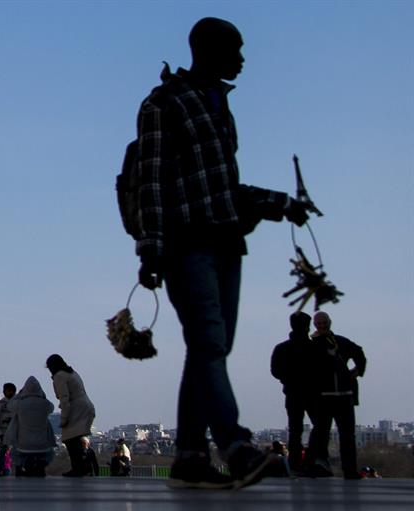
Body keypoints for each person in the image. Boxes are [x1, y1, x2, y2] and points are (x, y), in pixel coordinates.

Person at [131, 17, 309, 489]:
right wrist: (151, 250)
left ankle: (190, 455)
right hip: (187, 245)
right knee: (210, 343)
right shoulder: (164, 103)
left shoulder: (217, 105)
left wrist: (282, 205)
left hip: (226, 243)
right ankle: (235, 446)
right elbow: (150, 181)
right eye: (237, 49)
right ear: (208, 50)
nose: (244, 59)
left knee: (208, 347)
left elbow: (225, 188)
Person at [306, 311, 366, 479]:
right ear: (315, 325)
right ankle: (323, 466)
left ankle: (348, 469)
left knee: (344, 435)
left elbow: (359, 353)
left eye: (324, 323)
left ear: (329, 322)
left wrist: (357, 371)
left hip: (339, 396)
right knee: (323, 433)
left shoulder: (335, 342)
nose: (322, 326)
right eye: (319, 324)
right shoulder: (316, 345)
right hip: (325, 397)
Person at [271, 311, 315, 472]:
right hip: (312, 393)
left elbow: (275, 371)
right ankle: (310, 461)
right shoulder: (314, 347)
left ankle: (295, 464)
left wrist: (288, 379)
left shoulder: (282, 348)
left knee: (295, 430)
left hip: (293, 392)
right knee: (318, 427)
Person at [46, 355, 96, 477]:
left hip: (76, 409)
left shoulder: (59, 376)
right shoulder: (72, 373)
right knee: (75, 440)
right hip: (85, 407)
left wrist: (64, 418)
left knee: (70, 440)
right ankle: (81, 467)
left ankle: (78, 467)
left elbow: (64, 398)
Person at [5, 375, 56, 477]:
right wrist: (42, 396)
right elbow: (51, 407)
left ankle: (21, 468)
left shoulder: (20, 404)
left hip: (23, 445)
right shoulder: (45, 404)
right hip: (42, 445)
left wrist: (19, 394)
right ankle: (40, 469)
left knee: (14, 452)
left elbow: (9, 405)